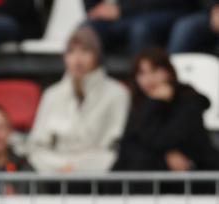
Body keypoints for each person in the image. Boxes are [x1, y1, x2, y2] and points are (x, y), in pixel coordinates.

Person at [27, 26, 130, 175]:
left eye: (85, 51)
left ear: (97, 56)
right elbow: (36, 146)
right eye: (71, 52)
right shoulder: (51, 94)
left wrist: (79, 168)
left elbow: (115, 146)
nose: (77, 59)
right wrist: (60, 167)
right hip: (55, 175)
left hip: (101, 174)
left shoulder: (118, 93)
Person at [114, 47, 219, 174]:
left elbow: (168, 138)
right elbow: (127, 146)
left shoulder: (189, 100)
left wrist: (155, 104)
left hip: (197, 173)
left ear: (168, 72)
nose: (148, 79)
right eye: (141, 73)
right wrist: (166, 154)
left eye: (154, 70)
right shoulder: (139, 103)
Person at [85, 0, 196, 55]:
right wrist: (95, 7)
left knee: (140, 29)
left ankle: (142, 89)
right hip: (125, 14)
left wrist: (122, 8)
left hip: (167, 10)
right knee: (87, 30)